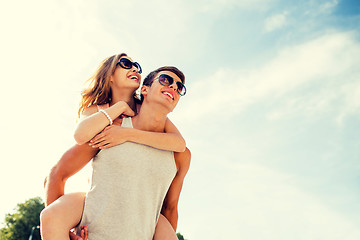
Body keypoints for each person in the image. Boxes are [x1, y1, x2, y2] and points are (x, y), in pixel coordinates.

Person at [40, 54, 190, 240]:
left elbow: (171, 207)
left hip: (142, 229)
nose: (173, 87)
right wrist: (68, 231)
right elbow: (60, 168)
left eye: (179, 87)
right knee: (50, 216)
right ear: (145, 89)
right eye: (165, 80)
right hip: (97, 225)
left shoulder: (176, 150)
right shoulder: (108, 126)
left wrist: (127, 135)